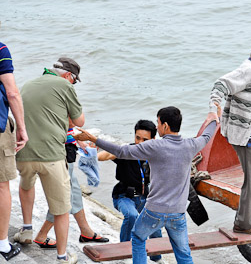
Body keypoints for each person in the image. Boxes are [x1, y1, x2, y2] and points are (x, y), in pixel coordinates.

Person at [75, 106, 218, 264]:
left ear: (165, 126)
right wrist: (214, 117)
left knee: (137, 237)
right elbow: (206, 136)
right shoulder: (190, 145)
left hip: (154, 211)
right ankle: (156, 258)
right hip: (177, 213)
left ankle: (152, 258)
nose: (157, 126)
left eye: (158, 123)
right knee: (183, 253)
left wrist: (93, 138)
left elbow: (121, 151)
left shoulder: (154, 147)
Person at [14, 57, 85, 264]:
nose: (73, 84)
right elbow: (79, 121)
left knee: (26, 186)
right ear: (68, 76)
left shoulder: (28, 84)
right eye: (74, 80)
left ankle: (27, 230)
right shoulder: (65, 85)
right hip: (52, 155)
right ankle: (62, 258)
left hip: (24, 152)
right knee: (61, 208)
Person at [207, 41, 251, 235]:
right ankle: (245, 223)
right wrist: (213, 109)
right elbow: (221, 84)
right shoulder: (247, 70)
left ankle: (248, 209)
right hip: (246, 135)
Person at [97, 119, 163, 263]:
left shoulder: (156, 155)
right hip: (123, 196)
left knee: (155, 221)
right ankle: (123, 250)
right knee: (132, 215)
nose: (139, 143)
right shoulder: (127, 151)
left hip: (143, 197)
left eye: (145, 140)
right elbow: (107, 155)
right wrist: (94, 155)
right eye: (137, 138)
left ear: (153, 140)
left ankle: (156, 258)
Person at [33, 128, 109, 249]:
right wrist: (79, 137)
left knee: (75, 193)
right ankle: (42, 235)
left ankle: (86, 231)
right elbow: (70, 121)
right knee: (64, 196)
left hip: (64, 148)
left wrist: (78, 140)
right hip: (59, 151)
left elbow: (64, 125)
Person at [0, 42, 28, 261]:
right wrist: (21, 127)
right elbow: (12, 92)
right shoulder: (0, 50)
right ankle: (2, 244)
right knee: (2, 185)